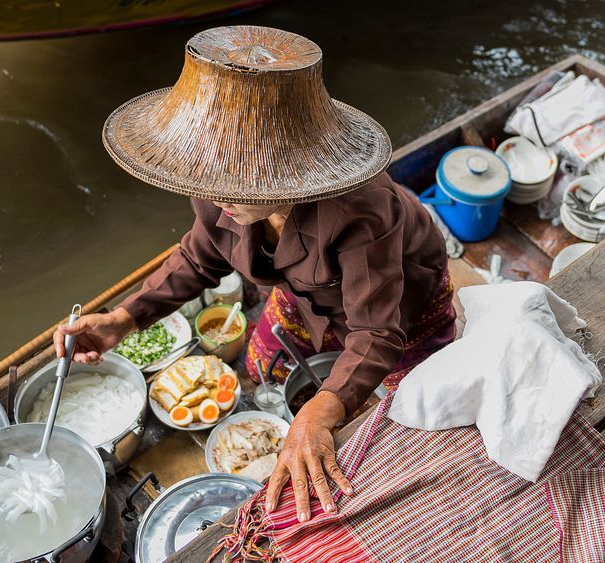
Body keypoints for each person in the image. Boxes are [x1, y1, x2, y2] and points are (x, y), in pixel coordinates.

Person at [51, 26, 455, 523]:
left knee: (410, 411)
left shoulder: (361, 210)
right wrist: (125, 317)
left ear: (289, 174)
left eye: (236, 187)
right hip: (303, 292)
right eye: (212, 182)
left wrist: (324, 409)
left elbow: (376, 330)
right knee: (265, 362)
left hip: (398, 303)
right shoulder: (215, 185)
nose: (218, 197)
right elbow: (200, 256)